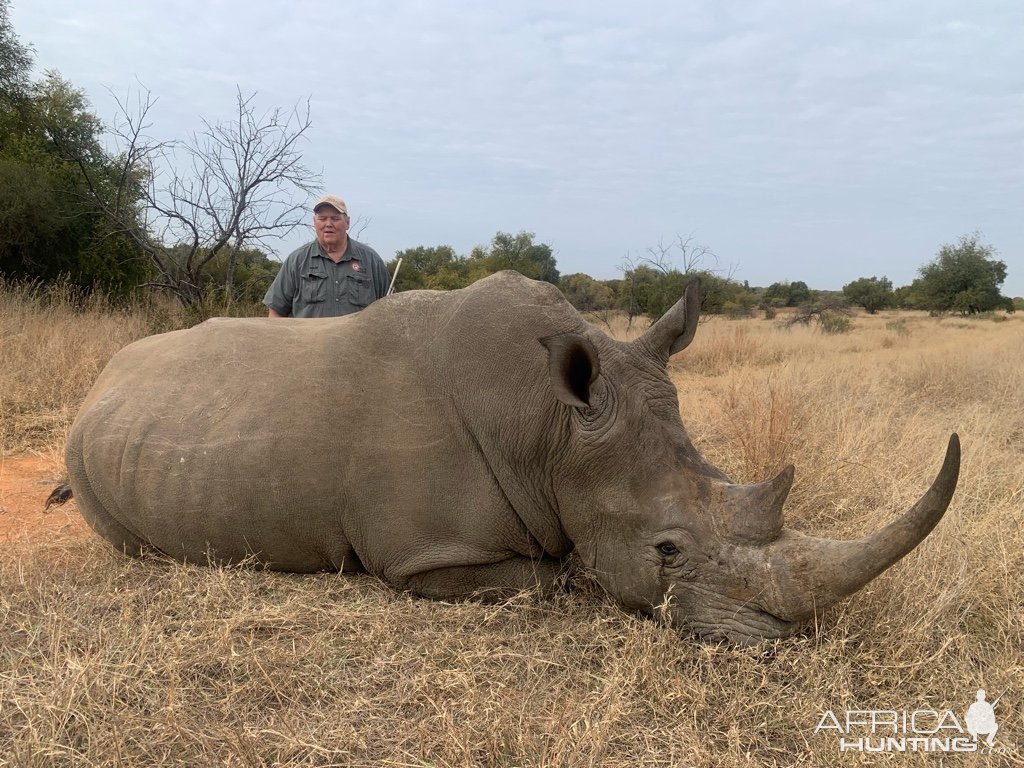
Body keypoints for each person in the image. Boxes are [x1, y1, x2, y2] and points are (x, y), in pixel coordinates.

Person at [264, 195, 390, 317]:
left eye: (335, 218)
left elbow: (388, 310)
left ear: (347, 223)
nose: (328, 224)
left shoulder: (372, 260)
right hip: (309, 339)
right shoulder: (296, 261)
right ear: (314, 223)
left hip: (358, 339)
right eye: (322, 219)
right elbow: (276, 311)